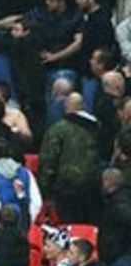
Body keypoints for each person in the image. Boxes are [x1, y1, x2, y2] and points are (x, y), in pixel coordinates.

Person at [39, 93, 101, 224]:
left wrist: (45, 191)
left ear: (66, 106)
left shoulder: (58, 129)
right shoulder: (97, 128)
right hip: (93, 187)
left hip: (67, 189)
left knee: (71, 228)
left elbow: (48, 161)